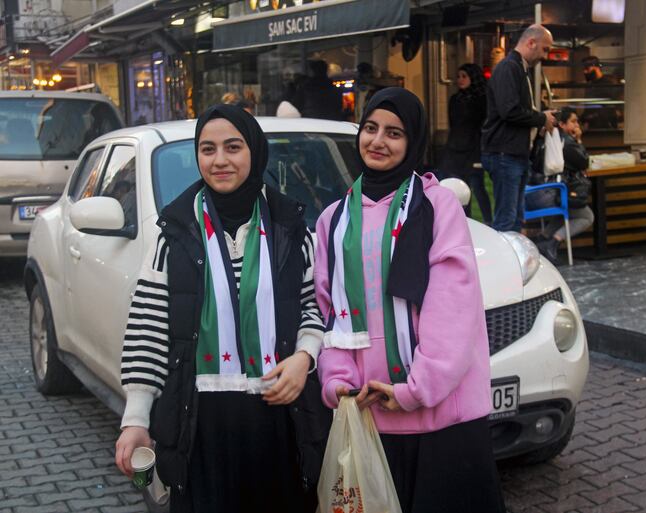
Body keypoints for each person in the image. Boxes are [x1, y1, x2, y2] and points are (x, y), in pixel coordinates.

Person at [114, 104, 331, 512]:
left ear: (255, 152)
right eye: (207, 149)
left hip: (280, 421)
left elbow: (312, 307)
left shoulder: (291, 229)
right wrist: (136, 418)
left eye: (233, 147)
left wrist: (305, 357)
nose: (220, 161)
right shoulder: (173, 234)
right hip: (197, 425)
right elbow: (148, 327)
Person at [314, 87, 506, 513]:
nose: (378, 141)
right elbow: (329, 312)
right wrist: (338, 381)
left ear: (414, 140)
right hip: (371, 416)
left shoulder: (437, 206)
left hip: (442, 418)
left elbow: (453, 309)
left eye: (394, 133)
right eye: (370, 128)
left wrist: (415, 390)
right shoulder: (333, 219)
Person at [481, 24, 557, 233]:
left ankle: (514, 264)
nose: (546, 55)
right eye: (545, 49)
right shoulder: (509, 68)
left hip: (513, 153)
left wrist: (538, 124)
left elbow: (514, 111)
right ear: (531, 43)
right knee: (507, 220)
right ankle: (503, 265)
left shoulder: (519, 68)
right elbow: (510, 111)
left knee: (514, 218)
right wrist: (541, 118)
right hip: (505, 155)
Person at [531, 107, 595, 264]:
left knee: (565, 212)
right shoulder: (565, 142)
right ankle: (554, 241)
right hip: (555, 193)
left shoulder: (546, 138)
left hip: (538, 192)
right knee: (587, 216)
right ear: (562, 124)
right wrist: (578, 140)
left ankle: (543, 238)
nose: (576, 125)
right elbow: (583, 161)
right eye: (573, 121)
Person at [442, 63, 492, 224]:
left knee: (476, 188)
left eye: (464, 76)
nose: (460, 80)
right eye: (458, 76)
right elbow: (453, 123)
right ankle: (462, 222)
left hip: (474, 148)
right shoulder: (455, 99)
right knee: (457, 188)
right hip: (455, 148)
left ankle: (486, 222)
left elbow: (484, 124)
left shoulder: (483, 100)